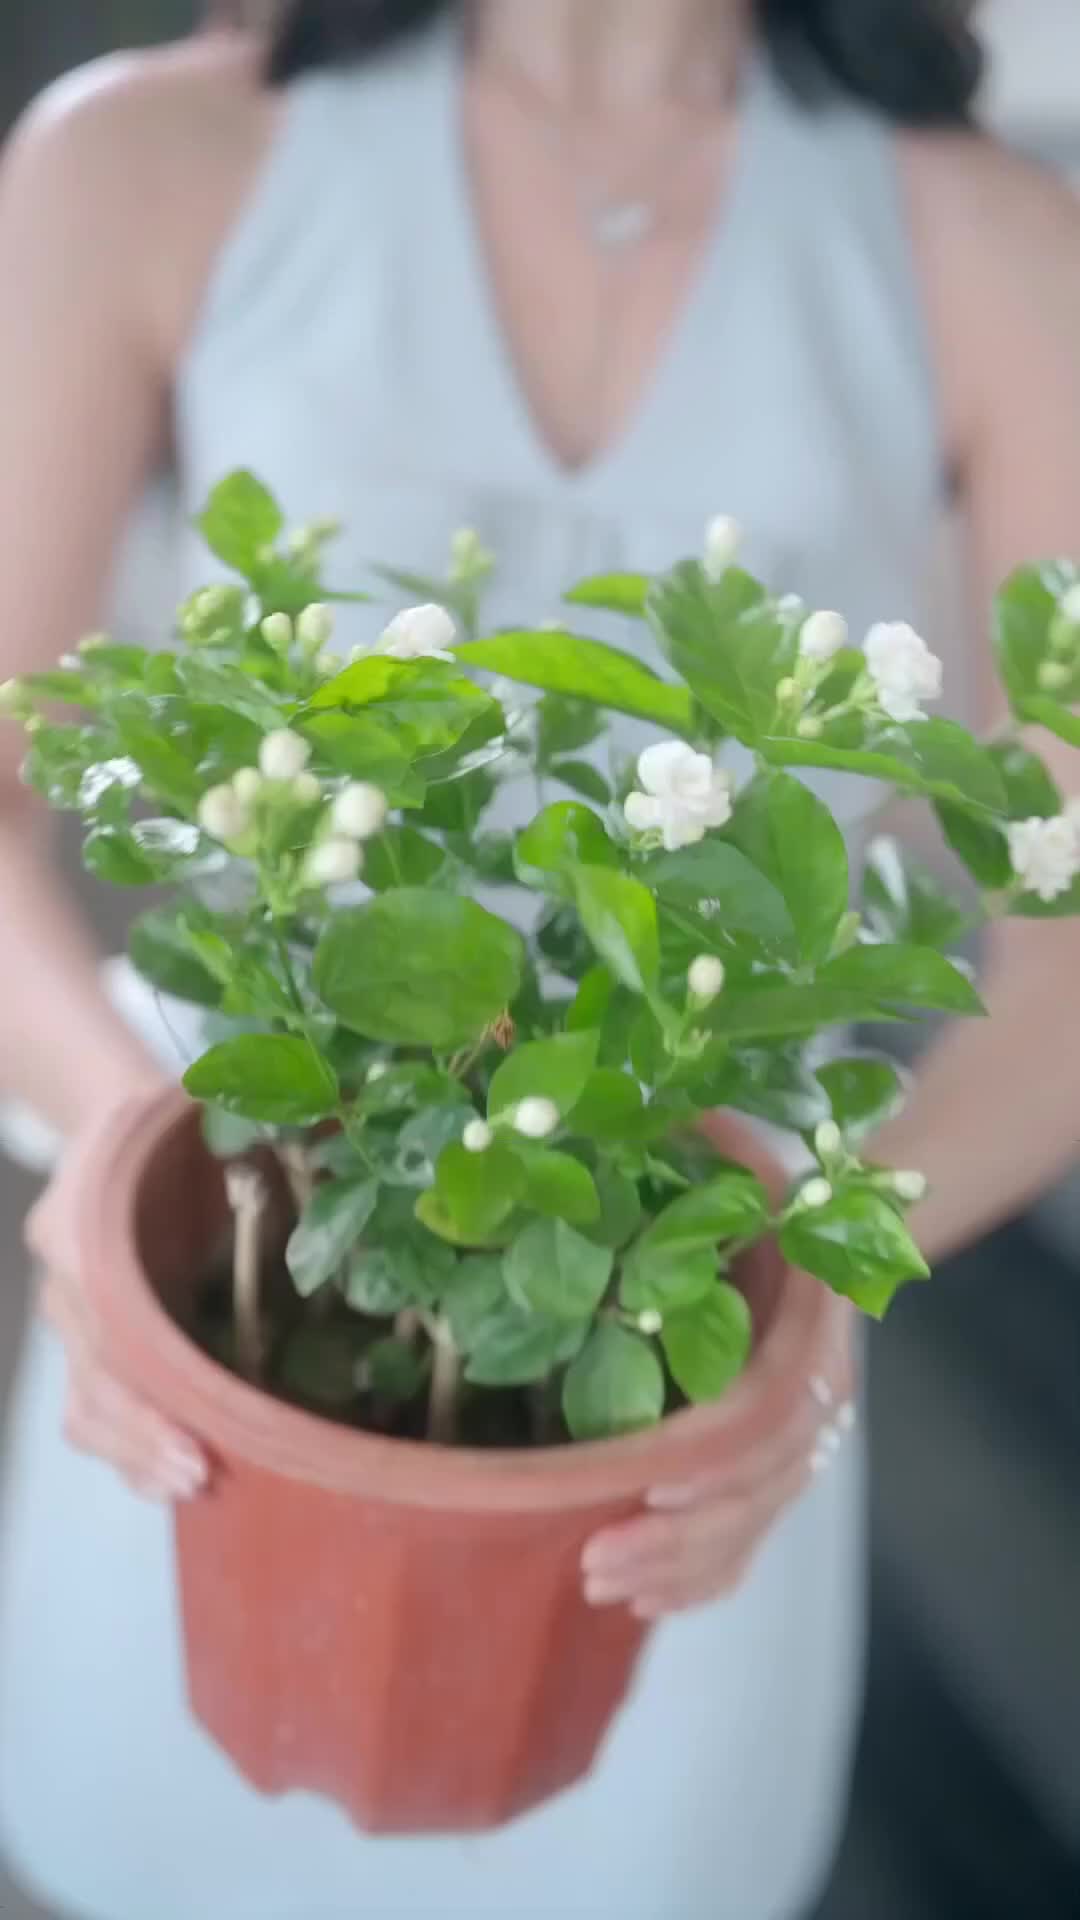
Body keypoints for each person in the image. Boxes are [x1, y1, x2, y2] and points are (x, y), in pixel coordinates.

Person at [1, 1, 1080, 1915]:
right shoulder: (153, 159)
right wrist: (113, 1171)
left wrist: (815, 1285)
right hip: (236, 1252)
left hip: (679, 1321)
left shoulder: (993, 242)